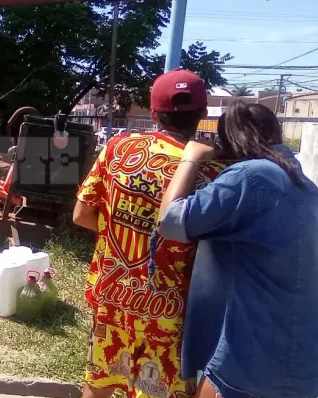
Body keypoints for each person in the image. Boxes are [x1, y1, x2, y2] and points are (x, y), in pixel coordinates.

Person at [72, 68, 225, 398]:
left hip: (113, 295)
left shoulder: (119, 148)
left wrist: (122, 230)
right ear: (202, 114)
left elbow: (82, 214)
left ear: (153, 113)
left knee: (99, 378)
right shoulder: (213, 173)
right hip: (168, 312)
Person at [157, 101, 318, 398]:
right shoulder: (306, 186)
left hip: (249, 362)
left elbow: (171, 222)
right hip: (305, 367)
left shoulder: (250, 177)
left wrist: (191, 158)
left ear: (228, 142)